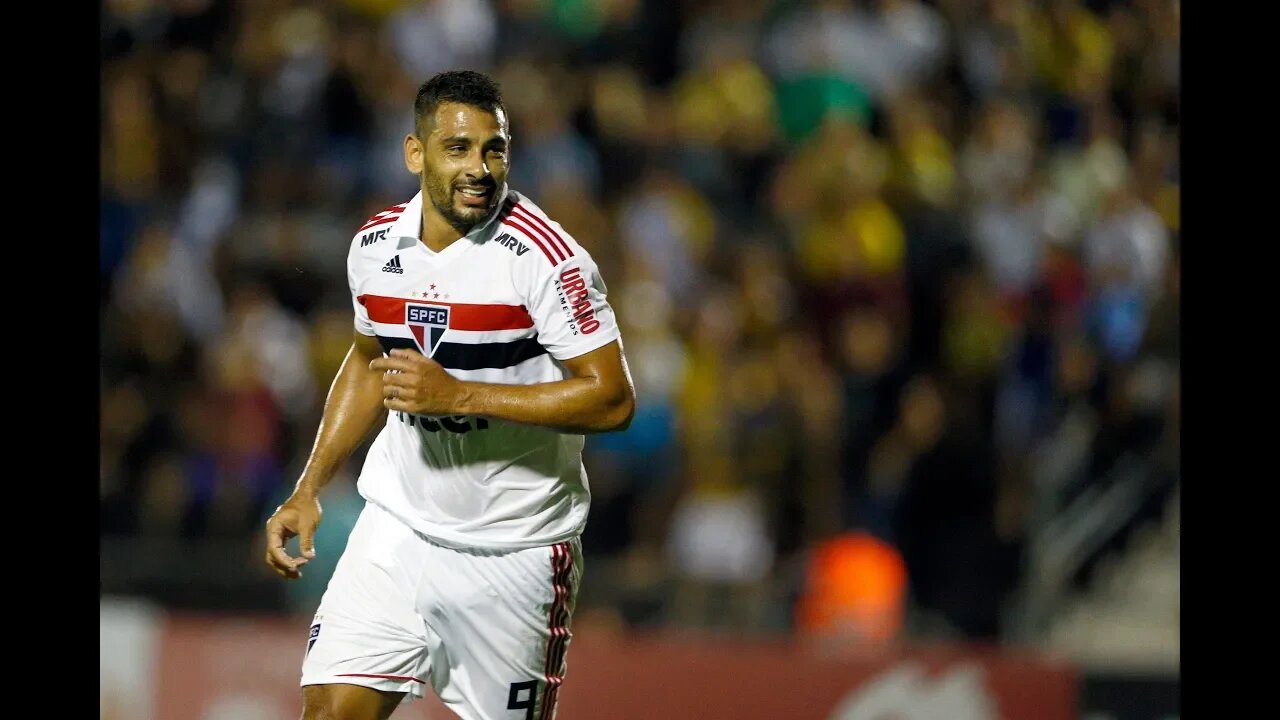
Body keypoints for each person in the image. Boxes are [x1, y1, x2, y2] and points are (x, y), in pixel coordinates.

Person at [263, 69, 635, 720]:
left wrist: (461, 396)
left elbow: (611, 398)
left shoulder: (546, 260)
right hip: (398, 530)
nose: (480, 167)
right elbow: (367, 359)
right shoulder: (376, 249)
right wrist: (309, 484)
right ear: (416, 153)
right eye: (458, 148)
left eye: (494, 149)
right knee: (328, 713)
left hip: (517, 550)